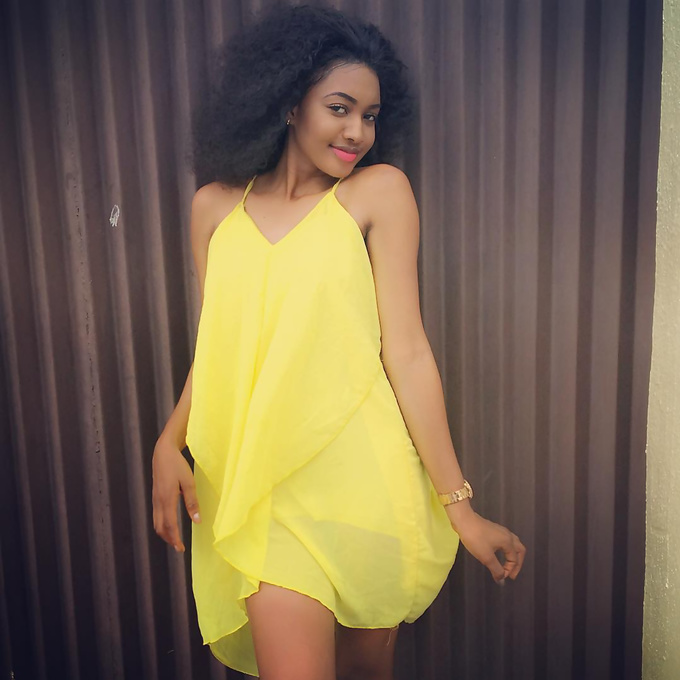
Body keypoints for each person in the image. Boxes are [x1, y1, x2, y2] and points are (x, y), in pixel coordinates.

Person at [152, 3, 526, 679]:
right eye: (340, 108)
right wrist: (169, 441)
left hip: (364, 484)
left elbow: (407, 353)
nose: (358, 131)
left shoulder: (377, 194)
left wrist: (462, 510)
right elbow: (222, 350)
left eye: (371, 115)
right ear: (289, 103)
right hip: (263, 494)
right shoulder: (214, 208)